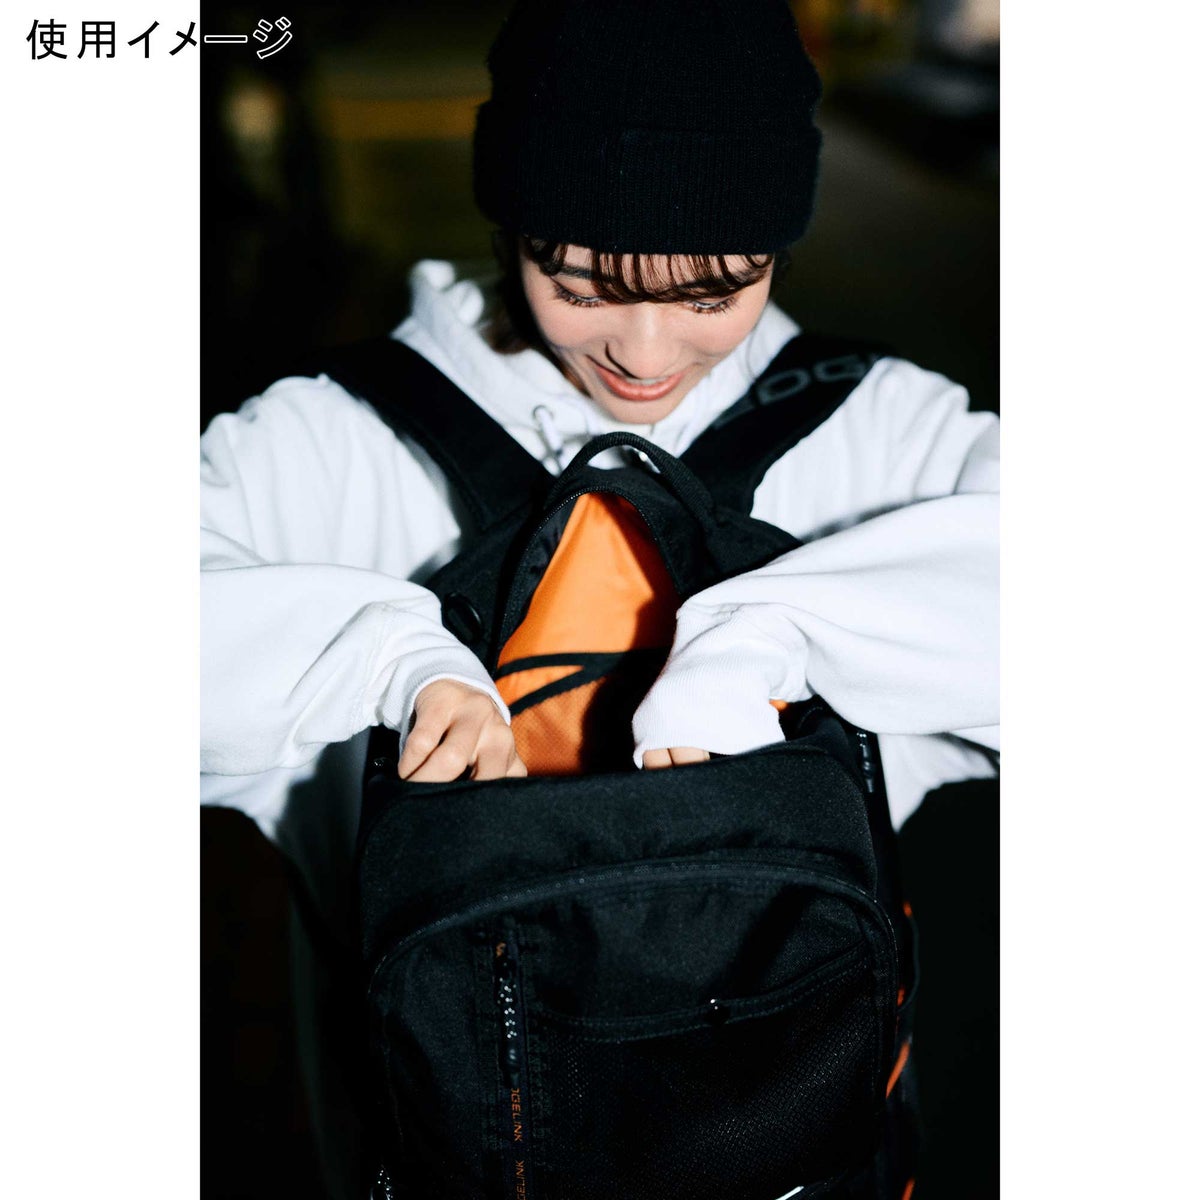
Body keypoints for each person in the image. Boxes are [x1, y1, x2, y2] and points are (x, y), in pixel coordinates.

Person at [200, 1, 998, 1194]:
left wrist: (778, 634)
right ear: (507, 220)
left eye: (715, 290)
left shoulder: (881, 432)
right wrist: (379, 655)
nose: (645, 352)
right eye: (578, 281)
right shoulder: (334, 444)